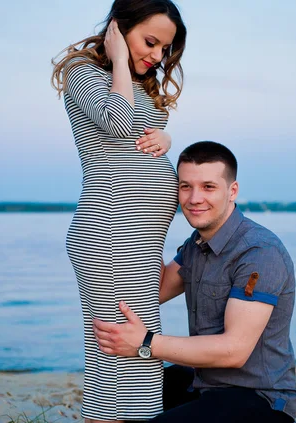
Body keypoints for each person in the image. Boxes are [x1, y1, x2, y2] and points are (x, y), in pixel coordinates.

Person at [93, 141, 296, 423]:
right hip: (206, 385)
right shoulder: (197, 245)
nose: (194, 198)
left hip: (259, 399)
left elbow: (233, 351)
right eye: (185, 186)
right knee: (126, 393)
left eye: (208, 187)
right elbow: (153, 290)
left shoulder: (259, 253)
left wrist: (144, 343)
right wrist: (142, 224)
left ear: (232, 191)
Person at [50, 1, 187, 422]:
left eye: (165, 49)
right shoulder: (83, 73)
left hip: (139, 242)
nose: (157, 56)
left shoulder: (138, 87)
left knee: (131, 353)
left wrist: (165, 138)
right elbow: (119, 123)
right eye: (150, 42)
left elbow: (134, 135)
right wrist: (121, 62)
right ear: (118, 29)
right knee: (122, 357)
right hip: (109, 235)